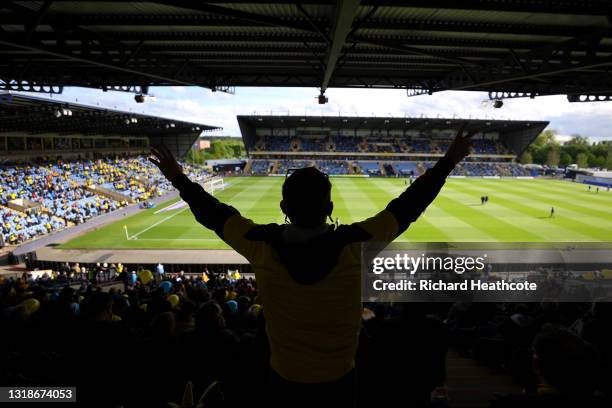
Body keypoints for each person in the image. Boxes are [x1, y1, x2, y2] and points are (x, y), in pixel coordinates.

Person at [149, 124, 475, 407]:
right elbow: (408, 205)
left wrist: (178, 177)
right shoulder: (356, 243)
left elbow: (213, 212)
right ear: (330, 206)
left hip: (283, 379)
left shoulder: (259, 243)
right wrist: (449, 161)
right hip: (340, 380)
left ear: (283, 207)